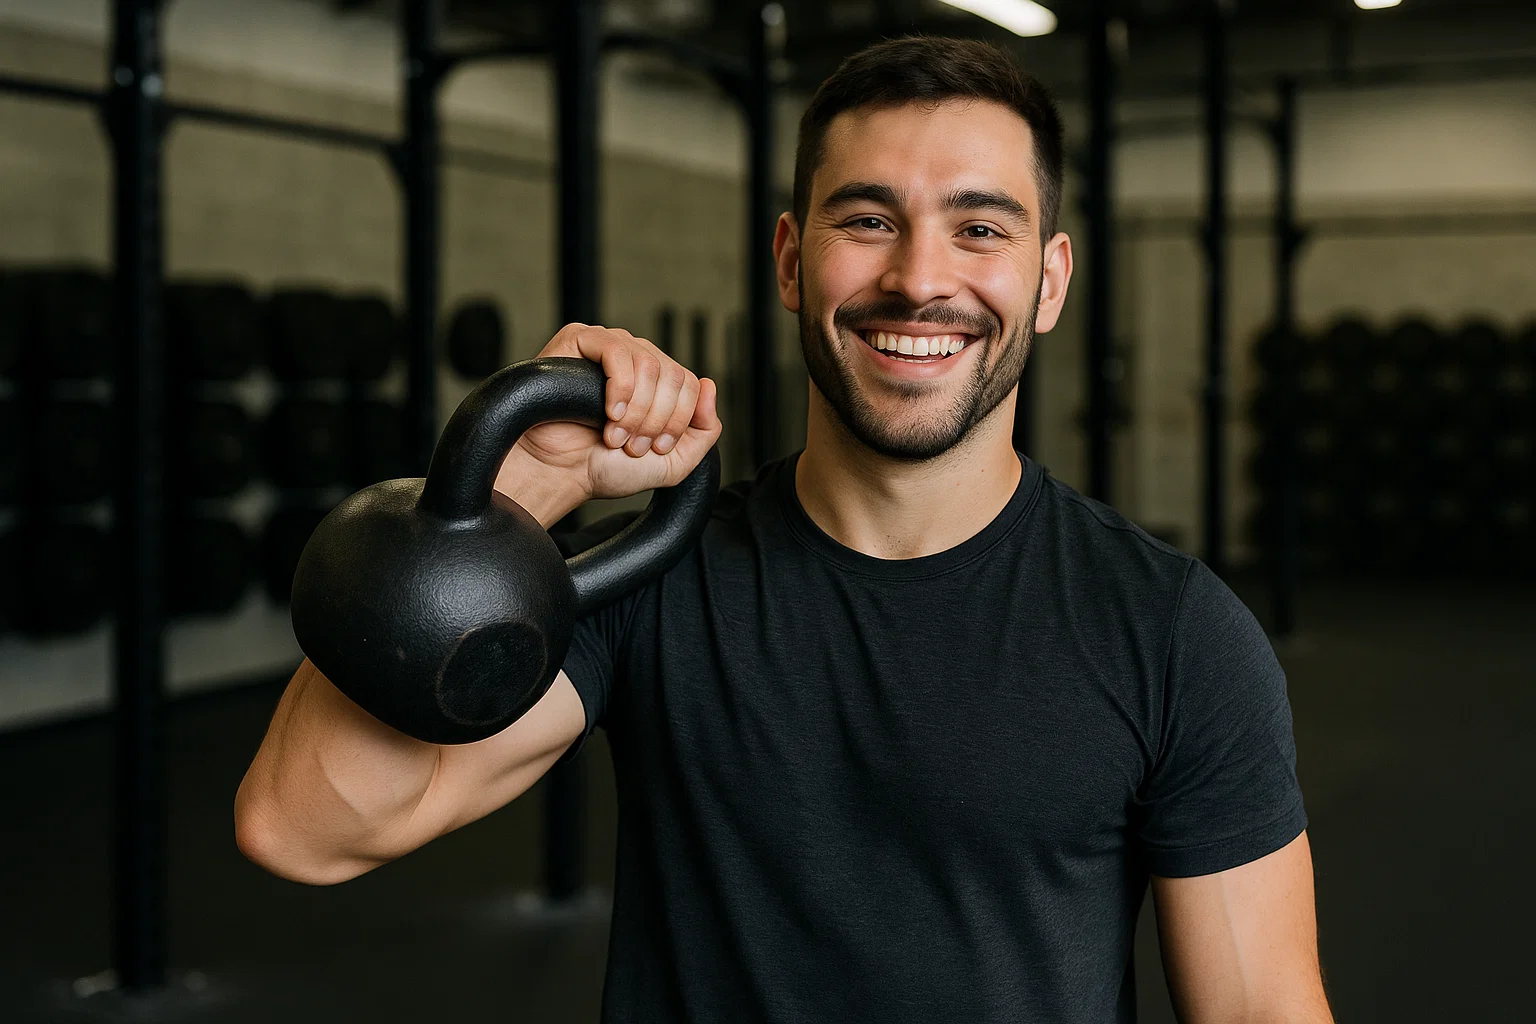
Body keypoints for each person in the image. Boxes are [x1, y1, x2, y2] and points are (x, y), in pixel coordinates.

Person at [236, 35, 1332, 1024]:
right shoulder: (653, 579)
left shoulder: (1173, 632)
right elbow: (303, 827)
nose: (919, 278)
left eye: (980, 227)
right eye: (867, 220)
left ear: (1047, 281)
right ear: (791, 261)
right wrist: (511, 499)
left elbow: (1260, 1010)